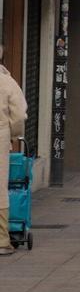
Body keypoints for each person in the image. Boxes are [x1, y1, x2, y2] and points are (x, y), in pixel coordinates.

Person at [0, 45, 26, 256]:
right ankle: (1, 240)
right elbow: (18, 116)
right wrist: (14, 135)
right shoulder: (8, 82)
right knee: (0, 188)